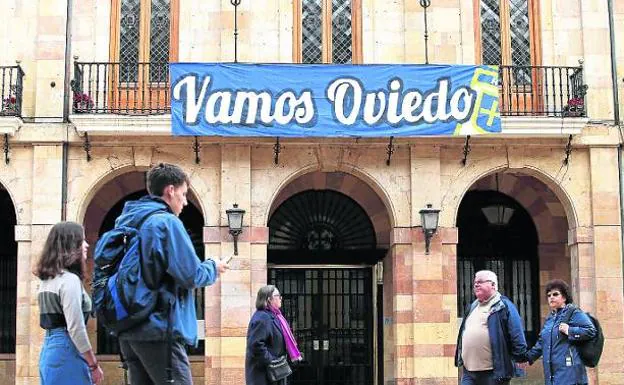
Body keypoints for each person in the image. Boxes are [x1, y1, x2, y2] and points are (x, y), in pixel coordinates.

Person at [116, 163, 229, 384]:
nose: (185, 202)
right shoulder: (166, 223)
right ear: (170, 191)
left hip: (129, 329)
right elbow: (191, 275)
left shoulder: (128, 220)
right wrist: (213, 266)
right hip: (159, 329)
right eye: (184, 194)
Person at [35, 221, 104, 385]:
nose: (86, 245)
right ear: (70, 245)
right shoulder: (70, 280)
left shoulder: (47, 280)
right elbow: (75, 328)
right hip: (68, 350)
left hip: (49, 350)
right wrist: (93, 364)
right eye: (82, 241)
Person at [455, 270, 528, 385]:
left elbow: (516, 332)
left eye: (480, 282)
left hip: (493, 373)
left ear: (493, 285)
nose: (476, 285)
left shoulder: (503, 305)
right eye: (475, 283)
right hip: (469, 372)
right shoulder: (472, 307)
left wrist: (521, 356)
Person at [522, 279, 596, 385]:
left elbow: (590, 331)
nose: (551, 297)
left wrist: (569, 330)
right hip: (552, 377)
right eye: (549, 295)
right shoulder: (550, 319)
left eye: (555, 294)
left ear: (564, 297)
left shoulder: (573, 313)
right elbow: (542, 344)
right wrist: (527, 358)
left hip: (570, 376)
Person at [246, 285, 302, 385]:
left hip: (273, 375)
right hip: (264, 376)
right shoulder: (262, 317)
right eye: (278, 295)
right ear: (269, 299)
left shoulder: (274, 316)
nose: (281, 298)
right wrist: (272, 361)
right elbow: (256, 345)